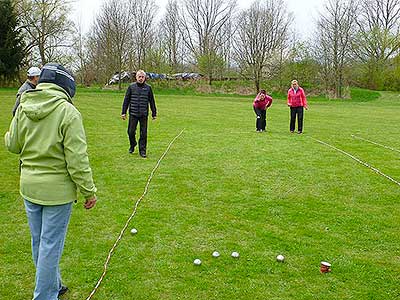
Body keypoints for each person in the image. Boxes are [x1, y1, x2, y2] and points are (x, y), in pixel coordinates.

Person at [4, 62, 97, 300]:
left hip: (29, 186)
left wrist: (10, 132)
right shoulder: (68, 112)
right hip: (56, 193)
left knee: (41, 243)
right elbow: (77, 159)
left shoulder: (24, 105)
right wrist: (89, 191)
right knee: (49, 246)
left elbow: (12, 145)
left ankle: (53, 285)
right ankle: (44, 296)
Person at [121, 70, 157, 158]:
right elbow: (126, 100)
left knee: (143, 133)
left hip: (144, 114)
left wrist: (154, 113)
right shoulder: (131, 87)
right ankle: (133, 144)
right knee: (130, 132)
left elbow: (152, 101)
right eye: (139, 77)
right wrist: (123, 112)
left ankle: (142, 151)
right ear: (136, 77)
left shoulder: (148, 88)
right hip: (133, 113)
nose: (141, 78)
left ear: (145, 78)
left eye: (142, 77)